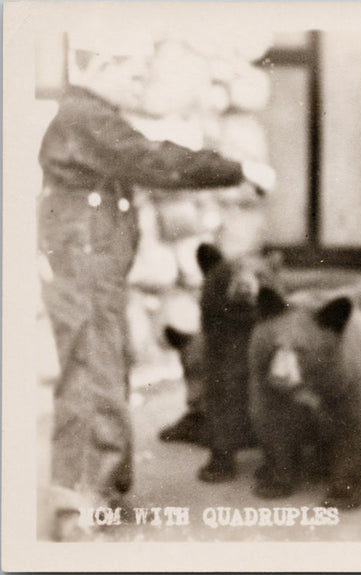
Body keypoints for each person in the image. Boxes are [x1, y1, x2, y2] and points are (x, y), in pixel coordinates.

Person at [38, 34, 274, 541]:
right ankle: (78, 503)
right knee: (91, 372)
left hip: (94, 260)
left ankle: (105, 494)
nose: (140, 83)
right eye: (133, 73)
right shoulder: (86, 117)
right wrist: (237, 169)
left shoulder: (93, 116)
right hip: (84, 261)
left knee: (106, 364)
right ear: (98, 66)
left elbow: (146, 157)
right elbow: (155, 160)